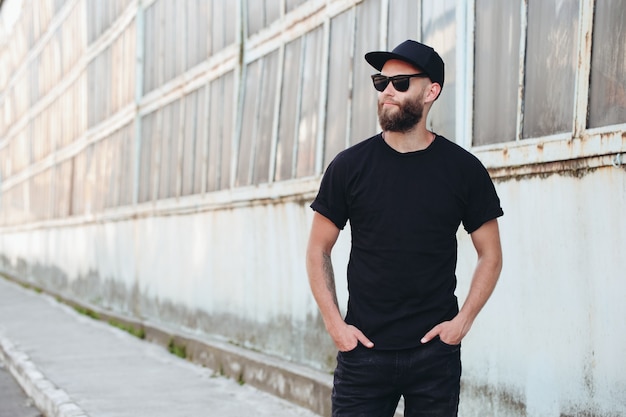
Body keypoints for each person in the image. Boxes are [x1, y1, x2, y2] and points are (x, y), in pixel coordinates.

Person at [305, 40, 504, 417]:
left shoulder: (463, 170)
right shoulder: (349, 167)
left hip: (434, 356)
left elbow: (490, 255)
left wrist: (462, 323)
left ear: (431, 92)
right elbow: (318, 249)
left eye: (400, 83)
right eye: (381, 83)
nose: (387, 92)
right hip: (363, 352)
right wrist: (336, 326)